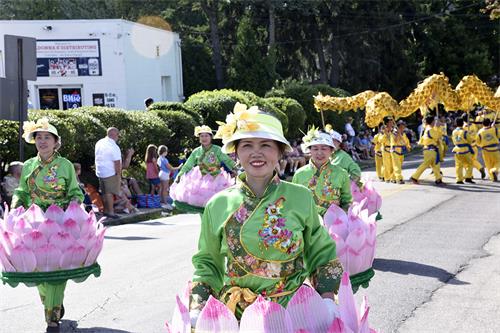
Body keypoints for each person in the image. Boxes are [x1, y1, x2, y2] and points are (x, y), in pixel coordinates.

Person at [189, 106, 343, 322]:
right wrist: (198, 307)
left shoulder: (301, 197)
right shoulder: (217, 204)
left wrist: (327, 300)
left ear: (280, 151)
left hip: (295, 311)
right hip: (239, 316)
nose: (256, 152)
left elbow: (321, 253)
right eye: (247, 145)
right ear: (236, 152)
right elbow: (207, 262)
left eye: (266, 145)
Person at [11, 118, 85, 332]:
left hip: (60, 223)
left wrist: (72, 206)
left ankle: (52, 317)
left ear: (56, 142)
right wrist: (17, 204)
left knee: (55, 269)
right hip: (34, 224)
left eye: (47, 137)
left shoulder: (65, 166)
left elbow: (75, 191)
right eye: (38, 137)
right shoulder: (29, 166)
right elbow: (22, 191)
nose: (42, 141)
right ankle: (51, 304)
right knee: (38, 268)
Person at [171, 122, 237, 212]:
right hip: (200, 184)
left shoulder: (217, 149)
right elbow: (188, 165)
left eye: (206, 136)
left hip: (217, 181)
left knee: (216, 209)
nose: (204, 138)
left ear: (211, 137)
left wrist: (236, 168)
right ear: (199, 138)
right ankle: (204, 225)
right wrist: (180, 175)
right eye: (202, 136)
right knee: (202, 210)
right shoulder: (196, 151)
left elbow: (227, 160)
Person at [292, 129, 352, 215]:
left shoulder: (342, 173)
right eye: (315, 149)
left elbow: (347, 201)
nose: (319, 153)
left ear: (331, 151)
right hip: (307, 223)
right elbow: (294, 201)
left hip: (333, 223)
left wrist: (343, 218)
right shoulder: (299, 174)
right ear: (310, 150)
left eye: (324, 149)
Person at [94, 127, 122, 218]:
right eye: (118, 135)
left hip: (100, 171)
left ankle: (106, 210)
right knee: (109, 193)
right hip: (110, 172)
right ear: (115, 135)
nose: (118, 137)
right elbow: (117, 162)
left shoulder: (100, 142)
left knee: (104, 192)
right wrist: (118, 175)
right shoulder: (114, 146)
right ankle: (110, 212)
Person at [410, 115, 444, 185]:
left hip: (431, 150)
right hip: (430, 150)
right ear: (432, 121)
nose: (435, 122)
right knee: (425, 165)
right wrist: (438, 127)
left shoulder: (428, 128)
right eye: (434, 121)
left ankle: (438, 179)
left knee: (436, 165)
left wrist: (437, 128)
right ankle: (414, 177)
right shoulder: (430, 129)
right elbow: (438, 136)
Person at [462, 113, 486, 179]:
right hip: (475, 146)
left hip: (468, 147)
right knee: (472, 160)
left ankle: (479, 168)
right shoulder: (473, 125)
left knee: (467, 162)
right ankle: (470, 174)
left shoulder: (464, 127)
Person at [157, 145, 182, 209]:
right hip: (165, 174)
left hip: (161, 173)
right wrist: (178, 167)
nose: (167, 152)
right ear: (164, 152)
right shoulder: (164, 159)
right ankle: (165, 202)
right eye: (166, 151)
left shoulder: (159, 158)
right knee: (165, 189)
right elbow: (170, 168)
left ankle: (161, 201)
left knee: (162, 188)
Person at [451, 118, 474, 184]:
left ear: (456, 123)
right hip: (465, 149)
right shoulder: (465, 132)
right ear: (463, 123)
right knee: (470, 164)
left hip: (457, 149)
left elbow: (453, 141)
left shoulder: (454, 131)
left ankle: (459, 179)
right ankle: (468, 177)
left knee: (458, 165)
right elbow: (470, 140)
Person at [390, 120, 412, 184]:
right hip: (395, 150)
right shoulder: (393, 133)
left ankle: (393, 177)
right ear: (398, 127)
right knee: (397, 165)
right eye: (402, 126)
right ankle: (399, 179)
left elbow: (406, 141)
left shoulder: (404, 134)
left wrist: (408, 147)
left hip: (401, 150)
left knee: (399, 165)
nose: (403, 128)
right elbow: (395, 141)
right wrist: (398, 134)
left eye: (404, 126)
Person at [380, 117, 395, 182]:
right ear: (387, 123)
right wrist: (385, 134)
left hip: (393, 148)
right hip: (386, 149)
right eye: (390, 122)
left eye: (392, 122)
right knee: (387, 164)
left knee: (393, 164)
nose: (392, 123)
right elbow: (380, 140)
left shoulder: (394, 130)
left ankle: (393, 177)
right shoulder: (383, 130)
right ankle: (387, 177)